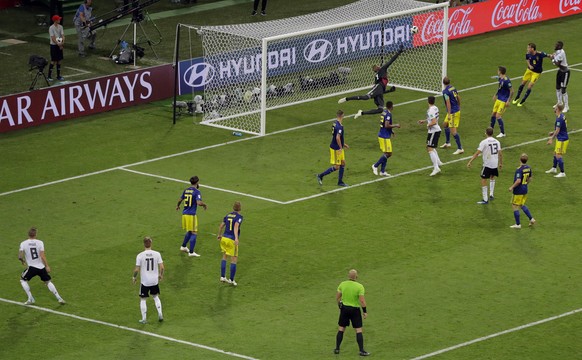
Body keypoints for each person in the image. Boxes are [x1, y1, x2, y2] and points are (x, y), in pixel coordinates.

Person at [338, 45, 403, 119]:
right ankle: (346, 99)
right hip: (378, 87)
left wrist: (389, 91)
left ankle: (361, 113)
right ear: (378, 68)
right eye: (377, 66)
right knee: (365, 97)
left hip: (379, 90)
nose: (378, 66)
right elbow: (391, 60)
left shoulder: (380, 76)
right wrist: (399, 52)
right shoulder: (382, 70)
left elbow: (380, 91)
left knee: (380, 109)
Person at [18, 227, 66, 305]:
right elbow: (42, 256)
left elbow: (20, 256)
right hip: (41, 267)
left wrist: (22, 261)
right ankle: (59, 298)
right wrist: (47, 266)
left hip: (32, 268)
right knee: (48, 282)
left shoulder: (23, 243)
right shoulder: (40, 242)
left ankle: (30, 298)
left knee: (22, 280)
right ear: (36, 234)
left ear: (28, 234)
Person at [334, 269, 369, 356]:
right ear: (356, 277)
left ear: (348, 276)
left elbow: (337, 297)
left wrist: (340, 306)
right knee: (358, 330)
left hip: (344, 309)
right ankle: (361, 350)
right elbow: (362, 301)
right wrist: (364, 311)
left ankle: (337, 349)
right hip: (355, 310)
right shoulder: (359, 286)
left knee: (341, 328)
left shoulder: (342, 284)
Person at [467, 127, 503, 204]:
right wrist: (500, 163)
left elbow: (477, 153)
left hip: (487, 164)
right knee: (492, 177)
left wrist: (470, 161)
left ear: (486, 133)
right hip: (495, 164)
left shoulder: (484, 142)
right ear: (492, 133)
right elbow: (500, 153)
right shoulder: (497, 141)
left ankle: (485, 199)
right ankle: (491, 194)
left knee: (483, 179)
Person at [133, 236, 164, 324]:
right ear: (151, 243)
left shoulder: (140, 255)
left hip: (145, 282)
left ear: (144, 244)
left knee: (143, 299)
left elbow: (136, 269)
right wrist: (161, 275)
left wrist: (134, 277)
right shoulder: (157, 254)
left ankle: (144, 318)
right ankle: (160, 314)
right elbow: (162, 267)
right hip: (154, 281)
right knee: (155, 297)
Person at [176, 176, 207, 257]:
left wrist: (178, 206)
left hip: (184, 214)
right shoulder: (197, 191)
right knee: (194, 232)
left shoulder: (186, 190)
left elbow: (180, 199)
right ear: (197, 182)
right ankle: (191, 252)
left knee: (189, 231)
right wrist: (204, 204)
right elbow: (199, 203)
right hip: (191, 215)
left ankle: (183, 247)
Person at [317, 110, 349, 187]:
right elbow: (338, 137)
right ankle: (320, 175)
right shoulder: (339, 126)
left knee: (343, 163)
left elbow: (335, 136)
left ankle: (340, 182)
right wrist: (341, 148)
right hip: (336, 148)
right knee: (337, 166)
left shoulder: (335, 123)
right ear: (342, 116)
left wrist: (343, 144)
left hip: (338, 146)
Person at [217, 201, 243, 286]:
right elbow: (236, 226)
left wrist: (219, 234)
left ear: (233, 208)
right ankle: (231, 280)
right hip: (231, 240)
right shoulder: (239, 217)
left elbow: (221, 225)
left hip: (224, 238)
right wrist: (236, 238)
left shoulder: (228, 215)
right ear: (240, 208)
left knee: (224, 257)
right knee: (234, 259)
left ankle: (222, 276)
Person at [371, 101, 400, 177]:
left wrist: (391, 131)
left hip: (383, 135)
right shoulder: (388, 114)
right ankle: (375, 165)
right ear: (391, 106)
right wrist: (395, 125)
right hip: (384, 137)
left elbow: (384, 125)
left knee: (386, 153)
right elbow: (386, 125)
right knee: (389, 153)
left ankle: (382, 171)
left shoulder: (384, 112)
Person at [417, 96, 444, 176]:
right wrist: (425, 121)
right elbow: (433, 118)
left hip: (433, 131)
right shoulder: (435, 108)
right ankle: (438, 162)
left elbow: (434, 121)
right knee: (430, 147)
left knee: (429, 148)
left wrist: (428, 124)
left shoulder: (430, 110)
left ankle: (436, 168)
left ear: (428, 101)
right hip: (436, 130)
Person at [508, 153, 535, 229]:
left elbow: (518, 180)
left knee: (515, 206)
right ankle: (531, 219)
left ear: (520, 159)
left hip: (518, 190)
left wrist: (511, 187)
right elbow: (530, 178)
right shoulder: (528, 168)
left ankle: (518, 224)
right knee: (521, 205)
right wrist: (526, 184)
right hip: (525, 189)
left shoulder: (519, 169)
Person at [440, 77, 464, 154]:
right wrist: (459, 105)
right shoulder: (452, 88)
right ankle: (447, 143)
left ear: (443, 83)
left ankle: (460, 148)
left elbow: (448, 103)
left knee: (453, 131)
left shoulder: (445, 92)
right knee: (445, 124)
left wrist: (449, 114)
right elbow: (458, 97)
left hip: (453, 112)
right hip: (454, 110)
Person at [545, 103, 568, 178]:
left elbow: (558, 130)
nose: (554, 109)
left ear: (557, 109)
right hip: (561, 137)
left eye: (555, 108)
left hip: (562, 139)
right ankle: (554, 168)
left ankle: (562, 172)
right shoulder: (561, 116)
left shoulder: (559, 119)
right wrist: (553, 132)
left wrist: (551, 138)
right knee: (555, 153)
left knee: (558, 155)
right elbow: (561, 128)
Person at [490, 66, 513, 138]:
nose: (497, 71)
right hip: (498, 99)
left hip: (503, 101)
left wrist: (508, 101)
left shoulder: (507, 81)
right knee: (493, 114)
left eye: (498, 70)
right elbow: (499, 87)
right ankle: (491, 130)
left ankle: (502, 133)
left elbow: (512, 91)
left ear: (500, 71)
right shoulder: (500, 78)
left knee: (498, 116)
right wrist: (495, 95)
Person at [550, 41, 570, 113]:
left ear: (559, 46)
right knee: (558, 87)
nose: (555, 46)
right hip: (560, 71)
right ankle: (559, 103)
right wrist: (553, 57)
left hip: (565, 72)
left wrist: (552, 60)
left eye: (556, 45)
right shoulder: (558, 52)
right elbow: (555, 57)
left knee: (563, 90)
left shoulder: (561, 53)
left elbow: (558, 64)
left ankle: (566, 106)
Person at [48, 15, 65, 82]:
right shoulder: (51, 28)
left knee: (59, 60)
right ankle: (49, 76)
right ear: (55, 20)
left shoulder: (61, 27)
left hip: (59, 43)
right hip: (54, 45)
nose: (59, 20)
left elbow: (62, 35)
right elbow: (53, 37)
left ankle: (58, 75)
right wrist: (59, 43)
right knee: (53, 60)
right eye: (58, 19)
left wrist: (62, 42)